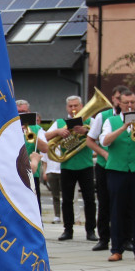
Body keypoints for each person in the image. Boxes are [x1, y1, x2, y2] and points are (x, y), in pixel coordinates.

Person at [100, 90, 135, 262]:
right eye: (126, 103)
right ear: (120, 104)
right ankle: (116, 249)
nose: (130, 105)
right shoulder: (111, 121)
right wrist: (124, 127)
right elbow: (104, 141)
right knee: (117, 210)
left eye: (133, 102)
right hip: (117, 171)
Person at [48, 95, 97, 241]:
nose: (74, 109)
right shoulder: (60, 123)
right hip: (67, 166)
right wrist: (58, 132)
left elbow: (100, 138)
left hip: (86, 165)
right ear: (66, 108)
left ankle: (91, 231)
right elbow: (44, 137)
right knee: (67, 200)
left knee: (89, 199)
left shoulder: (90, 121)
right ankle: (68, 230)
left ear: (82, 106)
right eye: (71, 106)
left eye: (76, 105)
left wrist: (86, 132)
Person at [86, 85, 129, 251]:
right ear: (113, 99)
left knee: (125, 203)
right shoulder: (102, 116)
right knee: (104, 202)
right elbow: (90, 140)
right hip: (105, 165)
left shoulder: (133, 117)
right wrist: (103, 154)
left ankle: (126, 239)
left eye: (123, 100)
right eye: (118, 99)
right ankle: (104, 238)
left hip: (125, 166)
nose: (120, 102)